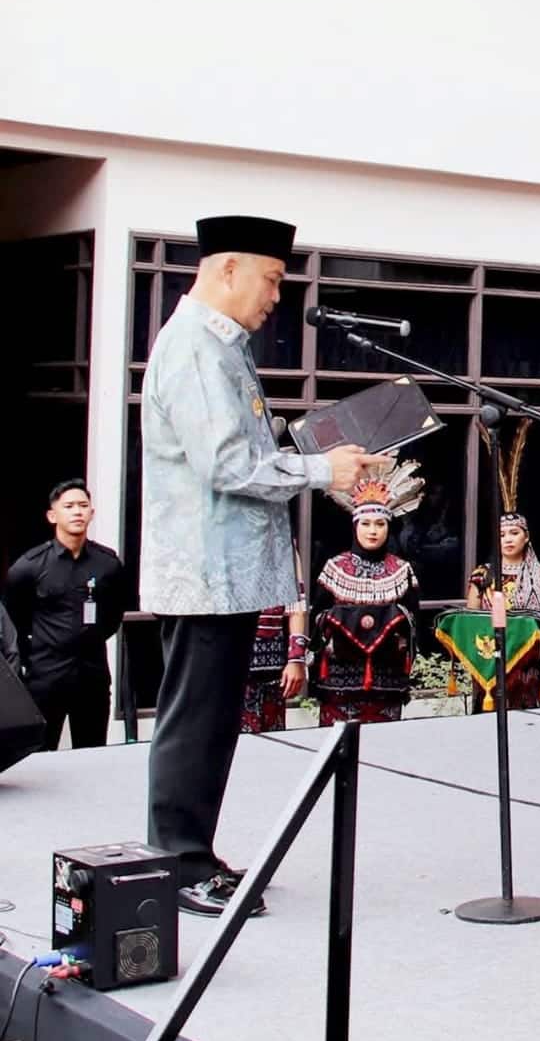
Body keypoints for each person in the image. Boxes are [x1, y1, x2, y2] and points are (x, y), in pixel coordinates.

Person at [140, 214, 381, 917]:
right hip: (205, 573)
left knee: (215, 719)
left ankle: (193, 849)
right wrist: (315, 468)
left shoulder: (224, 346)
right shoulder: (194, 347)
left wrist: (321, 465)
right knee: (194, 719)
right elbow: (225, 463)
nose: (277, 295)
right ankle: (176, 860)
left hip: (230, 574)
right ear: (227, 270)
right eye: (272, 278)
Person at [4, 480, 127, 750]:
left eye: (83, 506)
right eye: (69, 506)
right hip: (46, 676)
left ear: (92, 513)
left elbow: (113, 615)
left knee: (92, 752)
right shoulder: (30, 566)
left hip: (92, 676)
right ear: (52, 516)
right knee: (39, 755)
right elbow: (12, 618)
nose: (77, 512)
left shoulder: (107, 564)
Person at [311, 460, 424, 727]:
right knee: (337, 745)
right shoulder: (335, 567)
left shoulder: (401, 569)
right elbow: (316, 617)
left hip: (387, 677)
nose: (373, 531)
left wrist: (392, 622)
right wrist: (342, 622)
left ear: (388, 528)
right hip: (339, 676)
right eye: (366, 524)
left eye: (379, 524)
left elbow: (414, 621)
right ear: (355, 526)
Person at [465, 426, 540, 712]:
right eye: (502, 534)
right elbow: (471, 618)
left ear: (526, 537)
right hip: (489, 659)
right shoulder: (482, 575)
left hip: (528, 663)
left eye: (514, 534)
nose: (508, 539)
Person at [239, 551, 309, 734]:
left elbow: (297, 607)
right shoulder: (227, 537)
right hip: (231, 666)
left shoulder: (282, 543)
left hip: (272, 669)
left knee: (273, 743)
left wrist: (296, 659)